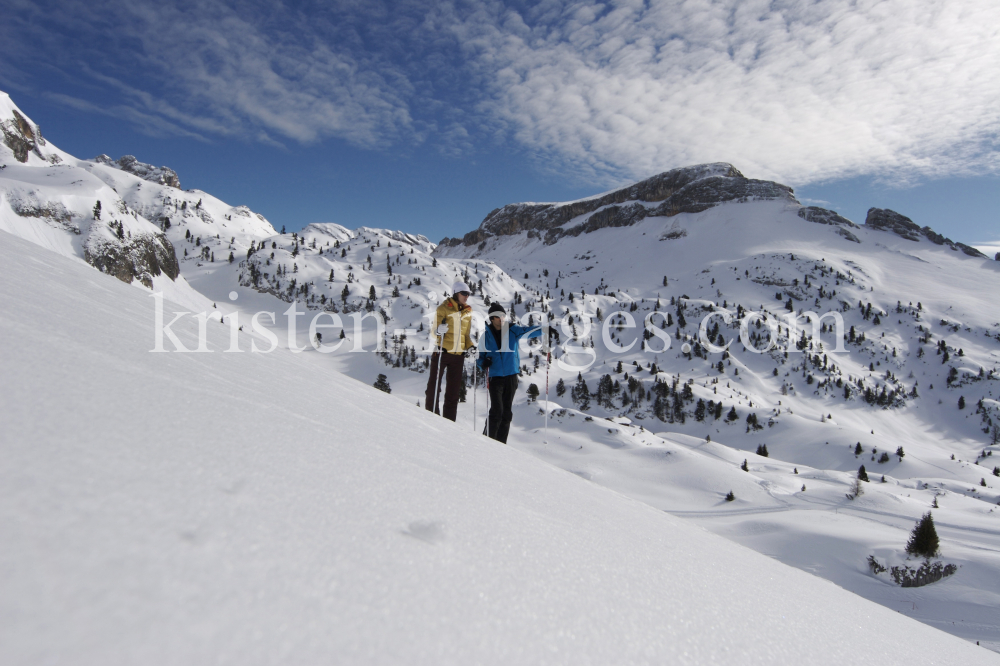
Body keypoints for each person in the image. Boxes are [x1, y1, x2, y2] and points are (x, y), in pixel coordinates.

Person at [476, 303, 542, 444]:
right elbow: (480, 359)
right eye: (499, 316)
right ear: (492, 318)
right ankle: (487, 441)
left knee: (506, 413)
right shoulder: (485, 337)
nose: (502, 319)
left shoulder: (513, 330)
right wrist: (483, 363)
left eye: (503, 316)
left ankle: (500, 444)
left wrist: (546, 330)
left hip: (511, 377)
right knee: (497, 411)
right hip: (495, 378)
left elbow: (529, 331)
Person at [425, 281, 474, 422]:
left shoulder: (467, 312)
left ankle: (449, 423)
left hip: (458, 356)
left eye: (468, 294)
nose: (466, 296)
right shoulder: (443, 308)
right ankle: (431, 417)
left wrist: (471, 347)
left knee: (453, 393)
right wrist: (438, 331)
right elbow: (434, 333)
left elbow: (466, 336)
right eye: (464, 293)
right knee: (433, 388)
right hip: (442, 353)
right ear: (456, 293)